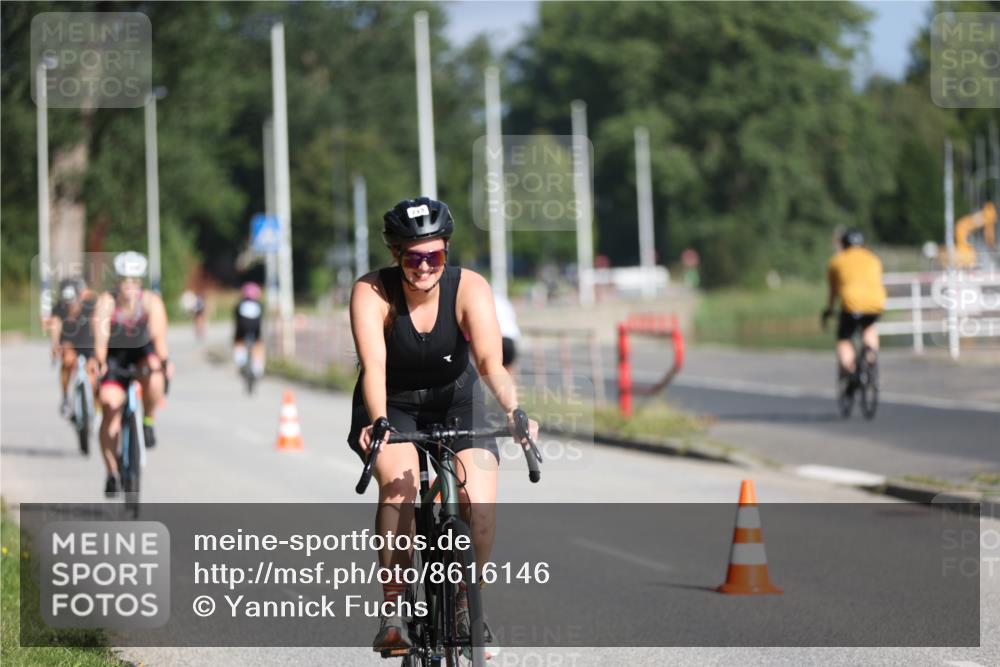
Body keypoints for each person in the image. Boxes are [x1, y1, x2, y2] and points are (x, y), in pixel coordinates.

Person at [347, 197, 538, 652]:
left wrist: (514, 412)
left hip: (459, 399)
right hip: (391, 404)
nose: (425, 267)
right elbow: (373, 365)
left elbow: (492, 362)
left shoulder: (469, 287)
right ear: (396, 255)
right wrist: (378, 421)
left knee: (480, 504)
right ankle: (393, 609)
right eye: (414, 258)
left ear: (446, 252)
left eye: (434, 256)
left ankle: (467, 607)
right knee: (400, 489)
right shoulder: (371, 292)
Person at [92, 251, 172, 496]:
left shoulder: (150, 302)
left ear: (141, 283)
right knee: (109, 405)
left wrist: (164, 362)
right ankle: (112, 472)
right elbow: (101, 340)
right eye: (126, 280)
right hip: (115, 357)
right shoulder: (107, 302)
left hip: (141, 353)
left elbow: (158, 338)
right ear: (118, 281)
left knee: (155, 376)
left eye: (135, 281)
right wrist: (101, 362)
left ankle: (148, 421)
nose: (130, 286)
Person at [822, 229, 886, 384]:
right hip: (875, 303)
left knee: (844, 338)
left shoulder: (837, 261)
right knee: (869, 328)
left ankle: (851, 370)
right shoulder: (874, 259)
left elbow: (834, 290)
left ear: (844, 244)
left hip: (851, 305)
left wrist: (829, 309)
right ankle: (871, 358)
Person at [50, 277, 98, 417]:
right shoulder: (59, 309)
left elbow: (96, 326)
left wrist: (98, 348)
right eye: (67, 303)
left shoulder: (89, 306)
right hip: (69, 343)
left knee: (92, 373)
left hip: (87, 343)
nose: (70, 306)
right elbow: (55, 327)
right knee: (67, 360)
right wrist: (55, 345)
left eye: (73, 302)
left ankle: (95, 403)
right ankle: (65, 397)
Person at [233, 282, 265, 378]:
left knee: (238, 341)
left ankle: (240, 361)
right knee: (258, 344)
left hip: (242, 329)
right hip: (255, 329)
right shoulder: (259, 305)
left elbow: (236, 318)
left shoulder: (240, 305)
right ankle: (258, 366)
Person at [492, 292, 521, 372]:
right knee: (508, 370)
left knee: (492, 369)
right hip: (510, 336)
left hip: (494, 337)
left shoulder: (485, 299)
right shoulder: (505, 302)